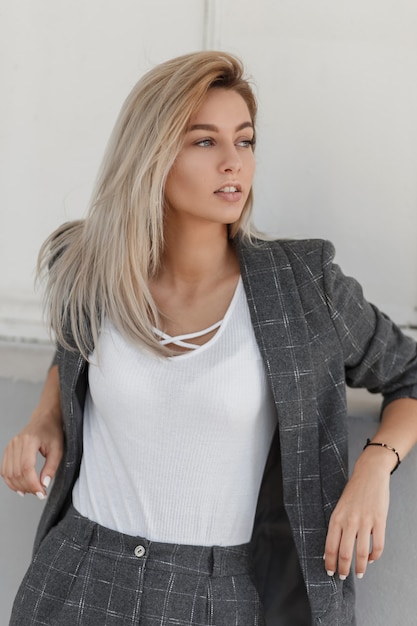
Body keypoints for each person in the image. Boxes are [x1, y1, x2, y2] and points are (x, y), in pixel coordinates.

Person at [2, 51, 417, 626]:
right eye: (205, 142)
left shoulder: (301, 285)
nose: (234, 164)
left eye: (244, 142)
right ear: (152, 154)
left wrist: (375, 468)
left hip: (216, 595)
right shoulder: (93, 268)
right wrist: (44, 417)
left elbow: (409, 373)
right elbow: (72, 347)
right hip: (78, 576)